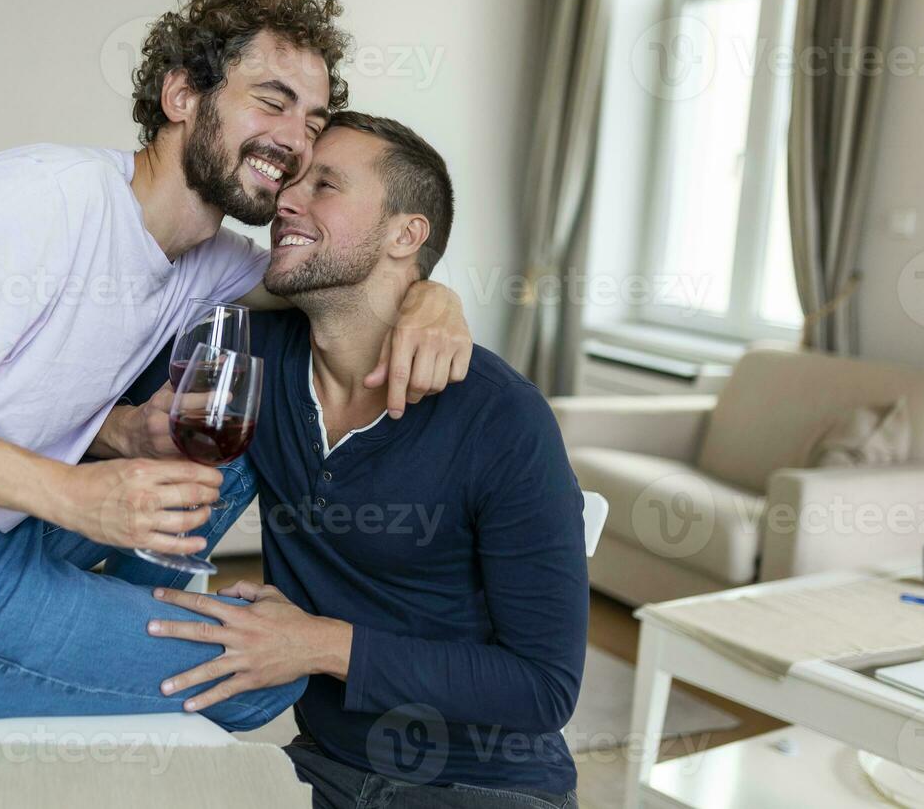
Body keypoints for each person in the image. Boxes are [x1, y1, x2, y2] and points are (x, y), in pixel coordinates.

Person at [0, 0, 476, 731]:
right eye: (271, 102)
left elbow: (345, 281)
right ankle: (108, 634)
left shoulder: (210, 260)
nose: (297, 142)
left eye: (312, 121)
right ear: (181, 96)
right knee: (258, 679)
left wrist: (434, 299)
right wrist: (73, 495)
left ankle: (124, 617)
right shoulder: (48, 198)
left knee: (242, 411)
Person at [109, 112, 587, 806]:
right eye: (291, 182)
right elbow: (104, 382)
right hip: (322, 770)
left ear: (405, 234)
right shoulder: (253, 361)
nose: (286, 201)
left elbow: (545, 687)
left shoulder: (502, 419)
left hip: (487, 786)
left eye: (324, 185)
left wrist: (317, 644)